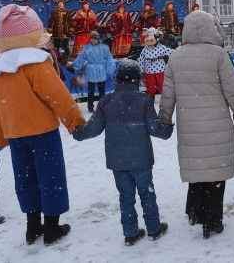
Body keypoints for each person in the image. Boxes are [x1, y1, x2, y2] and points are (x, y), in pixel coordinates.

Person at [0, 4, 86, 245]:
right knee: (50, 177)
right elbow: (58, 96)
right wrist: (75, 122)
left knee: (25, 179)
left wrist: (0, 136)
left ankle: (32, 228)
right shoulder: (36, 63)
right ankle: (52, 228)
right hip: (42, 132)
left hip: (16, 134)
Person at [158, 10, 234, 240]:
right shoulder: (218, 55)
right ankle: (213, 222)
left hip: (189, 126)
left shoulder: (176, 56)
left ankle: (196, 213)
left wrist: (164, 121)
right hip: (216, 126)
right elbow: (232, 90)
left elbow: (167, 95)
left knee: (197, 170)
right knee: (215, 173)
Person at [73, 60, 173, 246]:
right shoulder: (143, 100)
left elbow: (93, 128)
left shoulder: (106, 101)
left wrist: (78, 132)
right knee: (147, 193)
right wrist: (167, 130)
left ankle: (130, 232)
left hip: (117, 160)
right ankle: (153, 228)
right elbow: (154, 128)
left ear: (118, 80)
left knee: (125, 196)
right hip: (141, 158)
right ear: (137, 80)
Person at [71, 31, 116, 113]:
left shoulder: (103, 47)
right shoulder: (87, 48)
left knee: (101, 90)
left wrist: (110, 69)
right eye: (91, 38)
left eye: (94, 39)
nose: (93, 40)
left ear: (98, 39)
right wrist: (74, 66)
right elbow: (81, 58)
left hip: (100, 70)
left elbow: (109, 59)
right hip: (91, 71)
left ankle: (103, 106)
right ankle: (90, 106)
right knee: (90, 90)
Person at [137, 28, 174, 99]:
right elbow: (141, 60)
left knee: (162, 83)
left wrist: (179, 52)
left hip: (160, 69)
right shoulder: (145, 50)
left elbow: (170, 51)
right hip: (149, 70)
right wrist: (141, 70)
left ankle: (164, 96)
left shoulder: (161, 47)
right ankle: (151, 97)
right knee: (150, 84)